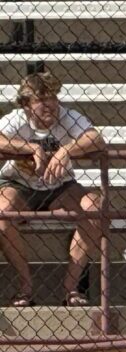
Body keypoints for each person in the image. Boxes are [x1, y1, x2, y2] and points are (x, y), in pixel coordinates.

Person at [0, 72, 103, 308]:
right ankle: (26, 287)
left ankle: (71, 288)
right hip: (19, 186)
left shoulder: (67, 117)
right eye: (41, 99)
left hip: (60, 188)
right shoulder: (16, 119)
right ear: (26, 104)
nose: (50, 105)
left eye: (53, 97)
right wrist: (29, 147)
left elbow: (96, 138)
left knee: (95, 207)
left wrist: (66, 150)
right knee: (2, 215)